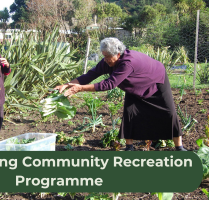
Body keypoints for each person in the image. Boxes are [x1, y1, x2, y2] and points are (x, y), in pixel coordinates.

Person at [55, 37, 187, 151]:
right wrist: (66, 85)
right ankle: (129, 147)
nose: (105, 59)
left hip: (156, 80)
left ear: (118, 54)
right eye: (104, 56)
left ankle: (179, 147)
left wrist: (80, 89)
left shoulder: (127, 63)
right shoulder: (108, 61)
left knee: (169, 112)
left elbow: (109, 84)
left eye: (107, 56)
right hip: (135, 85)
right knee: (130, 112)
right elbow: (90, 75)